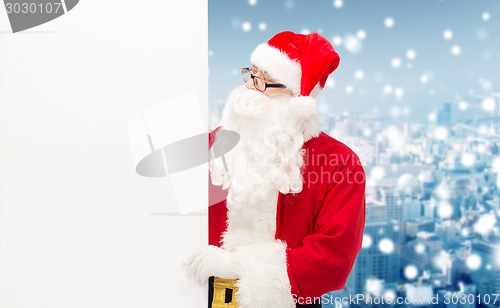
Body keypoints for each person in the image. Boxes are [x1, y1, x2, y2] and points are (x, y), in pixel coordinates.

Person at [185, 31, 366, 308]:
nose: (249, 89)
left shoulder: (340, 163)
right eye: (251, 74)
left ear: (297, 100)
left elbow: (335, 257)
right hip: (197, 296)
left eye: (264, 82)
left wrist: (239, 267)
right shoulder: (212, 145)